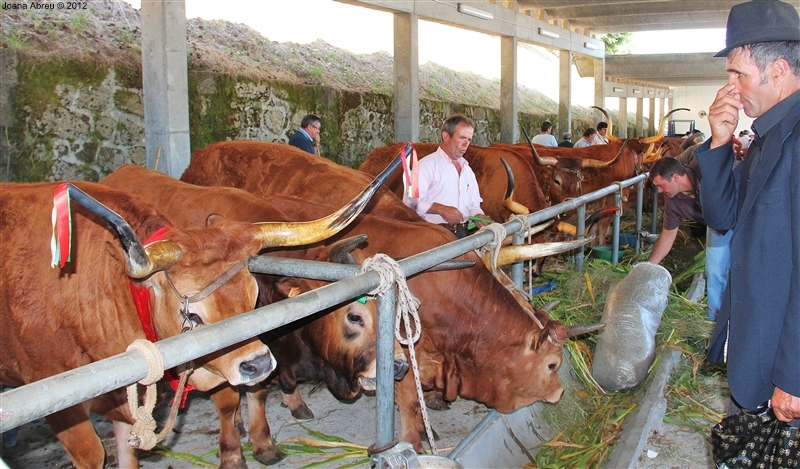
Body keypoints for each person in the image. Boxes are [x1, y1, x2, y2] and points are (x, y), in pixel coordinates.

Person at [695, 0, 800, 424]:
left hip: (782, 364)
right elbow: (722, 218)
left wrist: (793, 375)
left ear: (777, 70)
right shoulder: (766, 137)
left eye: (739, 74)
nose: (731, 88)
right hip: (757, 349)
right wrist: (719, 144)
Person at [646, 157, 731, 322]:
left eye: (661, 185)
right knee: (714, 272)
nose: (660, 191)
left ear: (676, 178)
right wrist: (647, 267)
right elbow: (667, 236)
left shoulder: (708, 172)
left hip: (743, 219)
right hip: (718, 226)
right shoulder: (672, 201)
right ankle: (715, 322)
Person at [403, 114, 490, 238]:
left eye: (469, 139)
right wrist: (440, 209)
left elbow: (473, 205)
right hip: (433, 234)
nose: (466, 144)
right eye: (462, 137)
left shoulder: (467, 170)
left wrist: (478, 216)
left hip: (462, 233)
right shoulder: (426, 166)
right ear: (445, 136)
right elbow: (409, 202)